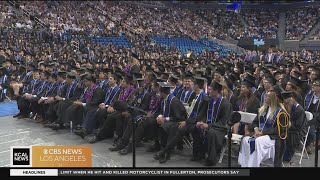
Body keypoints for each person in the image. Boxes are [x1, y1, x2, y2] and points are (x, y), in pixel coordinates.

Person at [153, 76, 208, 163]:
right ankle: (164, 152)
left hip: (197, 122)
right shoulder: (196, 95)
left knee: (176, 128)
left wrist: (186, 121)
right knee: (174, 128)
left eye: (193, 84)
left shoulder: (204, 98)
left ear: (197, 86)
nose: (191, 85)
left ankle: (164, 152)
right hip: (190, 121)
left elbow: (200, 116)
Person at [238, 90, 290, 167]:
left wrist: (263, 133)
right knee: (245, 140)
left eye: (268, 96)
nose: (265, 98)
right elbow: (255, 122)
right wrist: (255, 129)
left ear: (273, 99)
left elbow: (279, 130)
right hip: (260, 134)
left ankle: (252, 165)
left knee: (257, 142)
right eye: (265, 96)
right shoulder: (263, 109)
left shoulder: (281, 113)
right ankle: (245, 164)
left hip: (274, 137)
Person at [194, 80, 232, 166]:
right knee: (195, 128)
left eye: (210, 89)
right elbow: (204, 114)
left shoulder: (226, 104)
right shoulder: (208, 100)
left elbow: (223, 122)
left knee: (211, 132)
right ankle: (199, 154)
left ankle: (211, 159)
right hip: (209, 125)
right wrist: (202, 122)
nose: (208, 91)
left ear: (216, 91)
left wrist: (208, 125)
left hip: (221, 128)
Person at [281, 91, 306, 164]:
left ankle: (287, 156)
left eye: (286, 101)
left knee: (288, 135)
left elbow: (298, 125)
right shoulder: (288, 106)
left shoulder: (299, 109)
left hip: (299, 130)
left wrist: (287, 126)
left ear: (291, 99)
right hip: (289, 127)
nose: (284, 103)